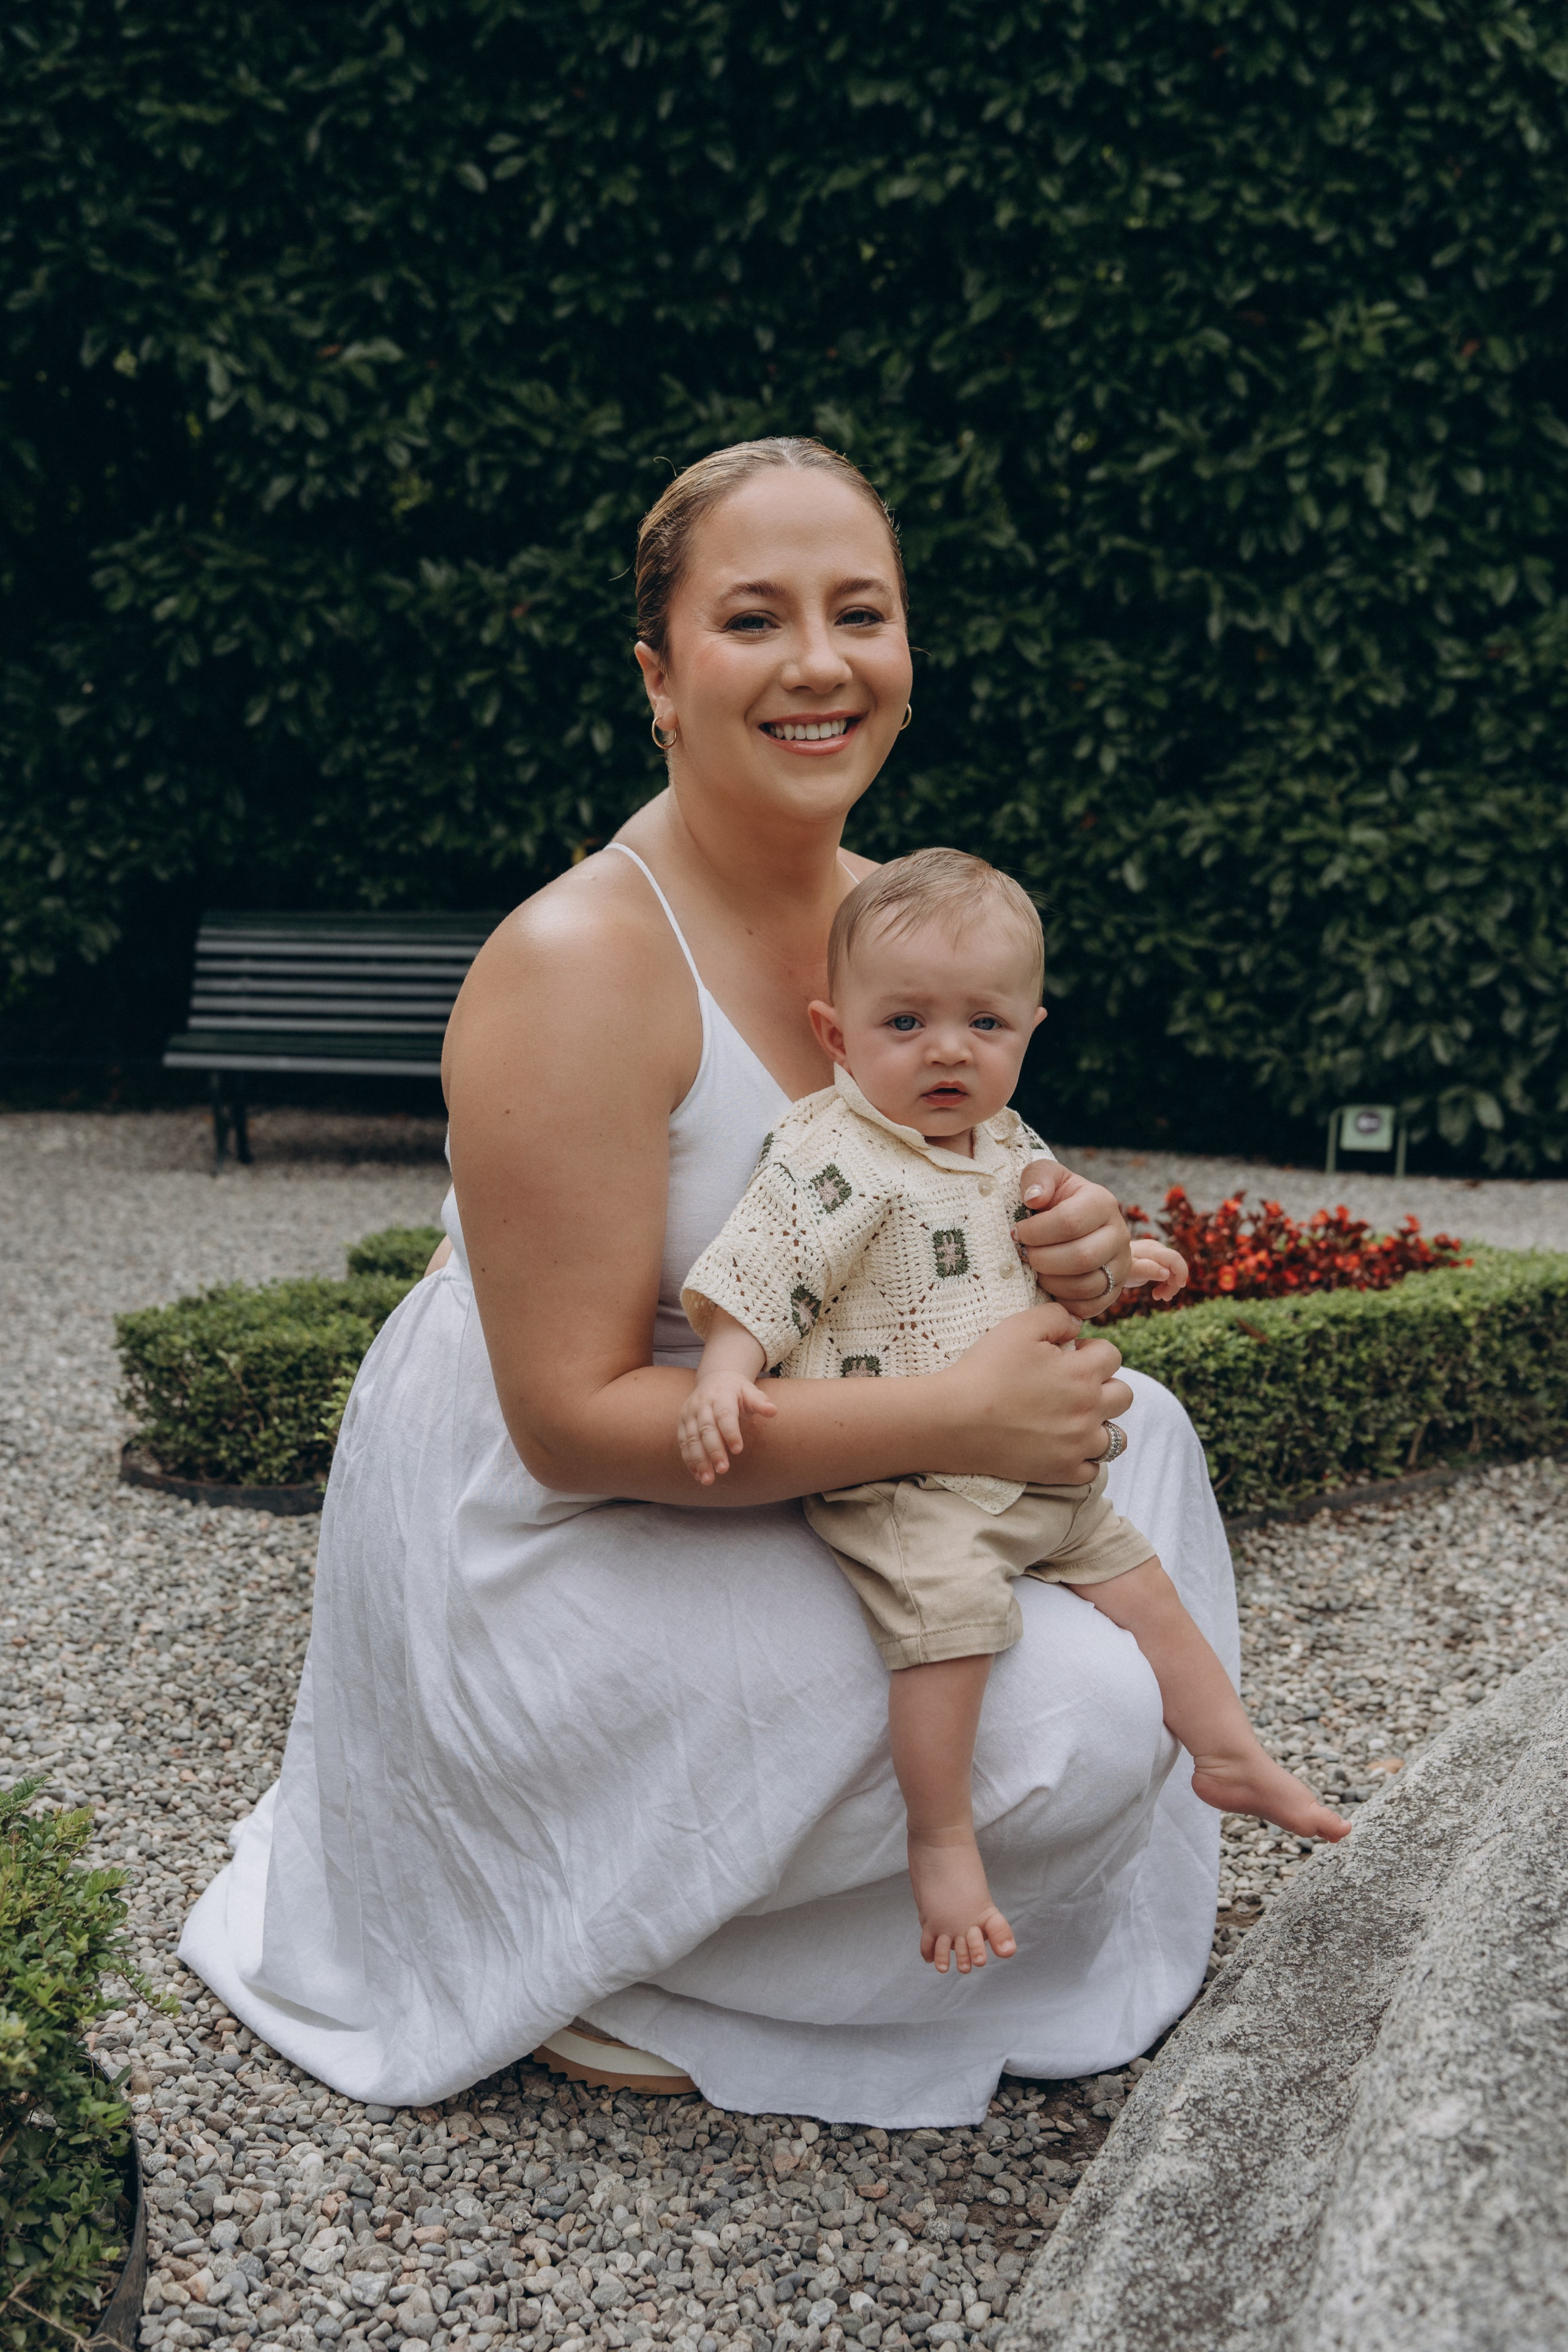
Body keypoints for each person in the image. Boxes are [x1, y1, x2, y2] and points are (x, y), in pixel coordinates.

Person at [181, 434, 1243, 2127]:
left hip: (783, 1446)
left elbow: (925, 1191)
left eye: (861, 614)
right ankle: (612, 1951)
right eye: (755, 619)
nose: (821, 663)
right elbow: (571, 1425)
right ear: (660, 678)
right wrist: (960, 1409)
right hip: (564, 1534)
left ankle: (790, 1901)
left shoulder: (892, 924)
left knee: (1147, 1438)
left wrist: (1061, 1243)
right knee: (1094, 1722)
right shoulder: (576, 966)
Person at [678, 847, 1347, 1977]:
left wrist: (1124, 1261)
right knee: (948, 1633)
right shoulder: (835, 1154)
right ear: (835, 1035)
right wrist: (723, 1371)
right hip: (912, 1482)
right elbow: (768, 1263)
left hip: (1037, 1473)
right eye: (906, 1024)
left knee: (1144, 1587)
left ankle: (1227, 1748)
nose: (948, 1050)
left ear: (1030, 1029)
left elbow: (1037, 1256)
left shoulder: (1007, 1142)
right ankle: (942, 1844)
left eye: (984, 1024)